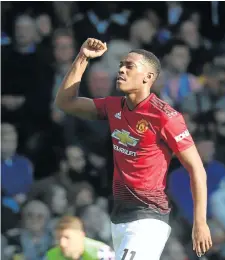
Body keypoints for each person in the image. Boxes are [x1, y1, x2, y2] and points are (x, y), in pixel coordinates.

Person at [55, 38, 212, 260]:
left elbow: (197, 168)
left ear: (148, 77)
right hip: (119, 216)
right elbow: (65, 102)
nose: (121, 69)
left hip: (149, 218)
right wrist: (83, 58)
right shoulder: (113, 106)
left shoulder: (165, 117)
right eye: (121, 64)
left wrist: (200, 222)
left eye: (129, 66)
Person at [46, 216, 115, 260]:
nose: (62, 244)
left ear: (81, 235)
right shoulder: (51, 255)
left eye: (67, 238)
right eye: (58, 238)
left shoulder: (102, 252)